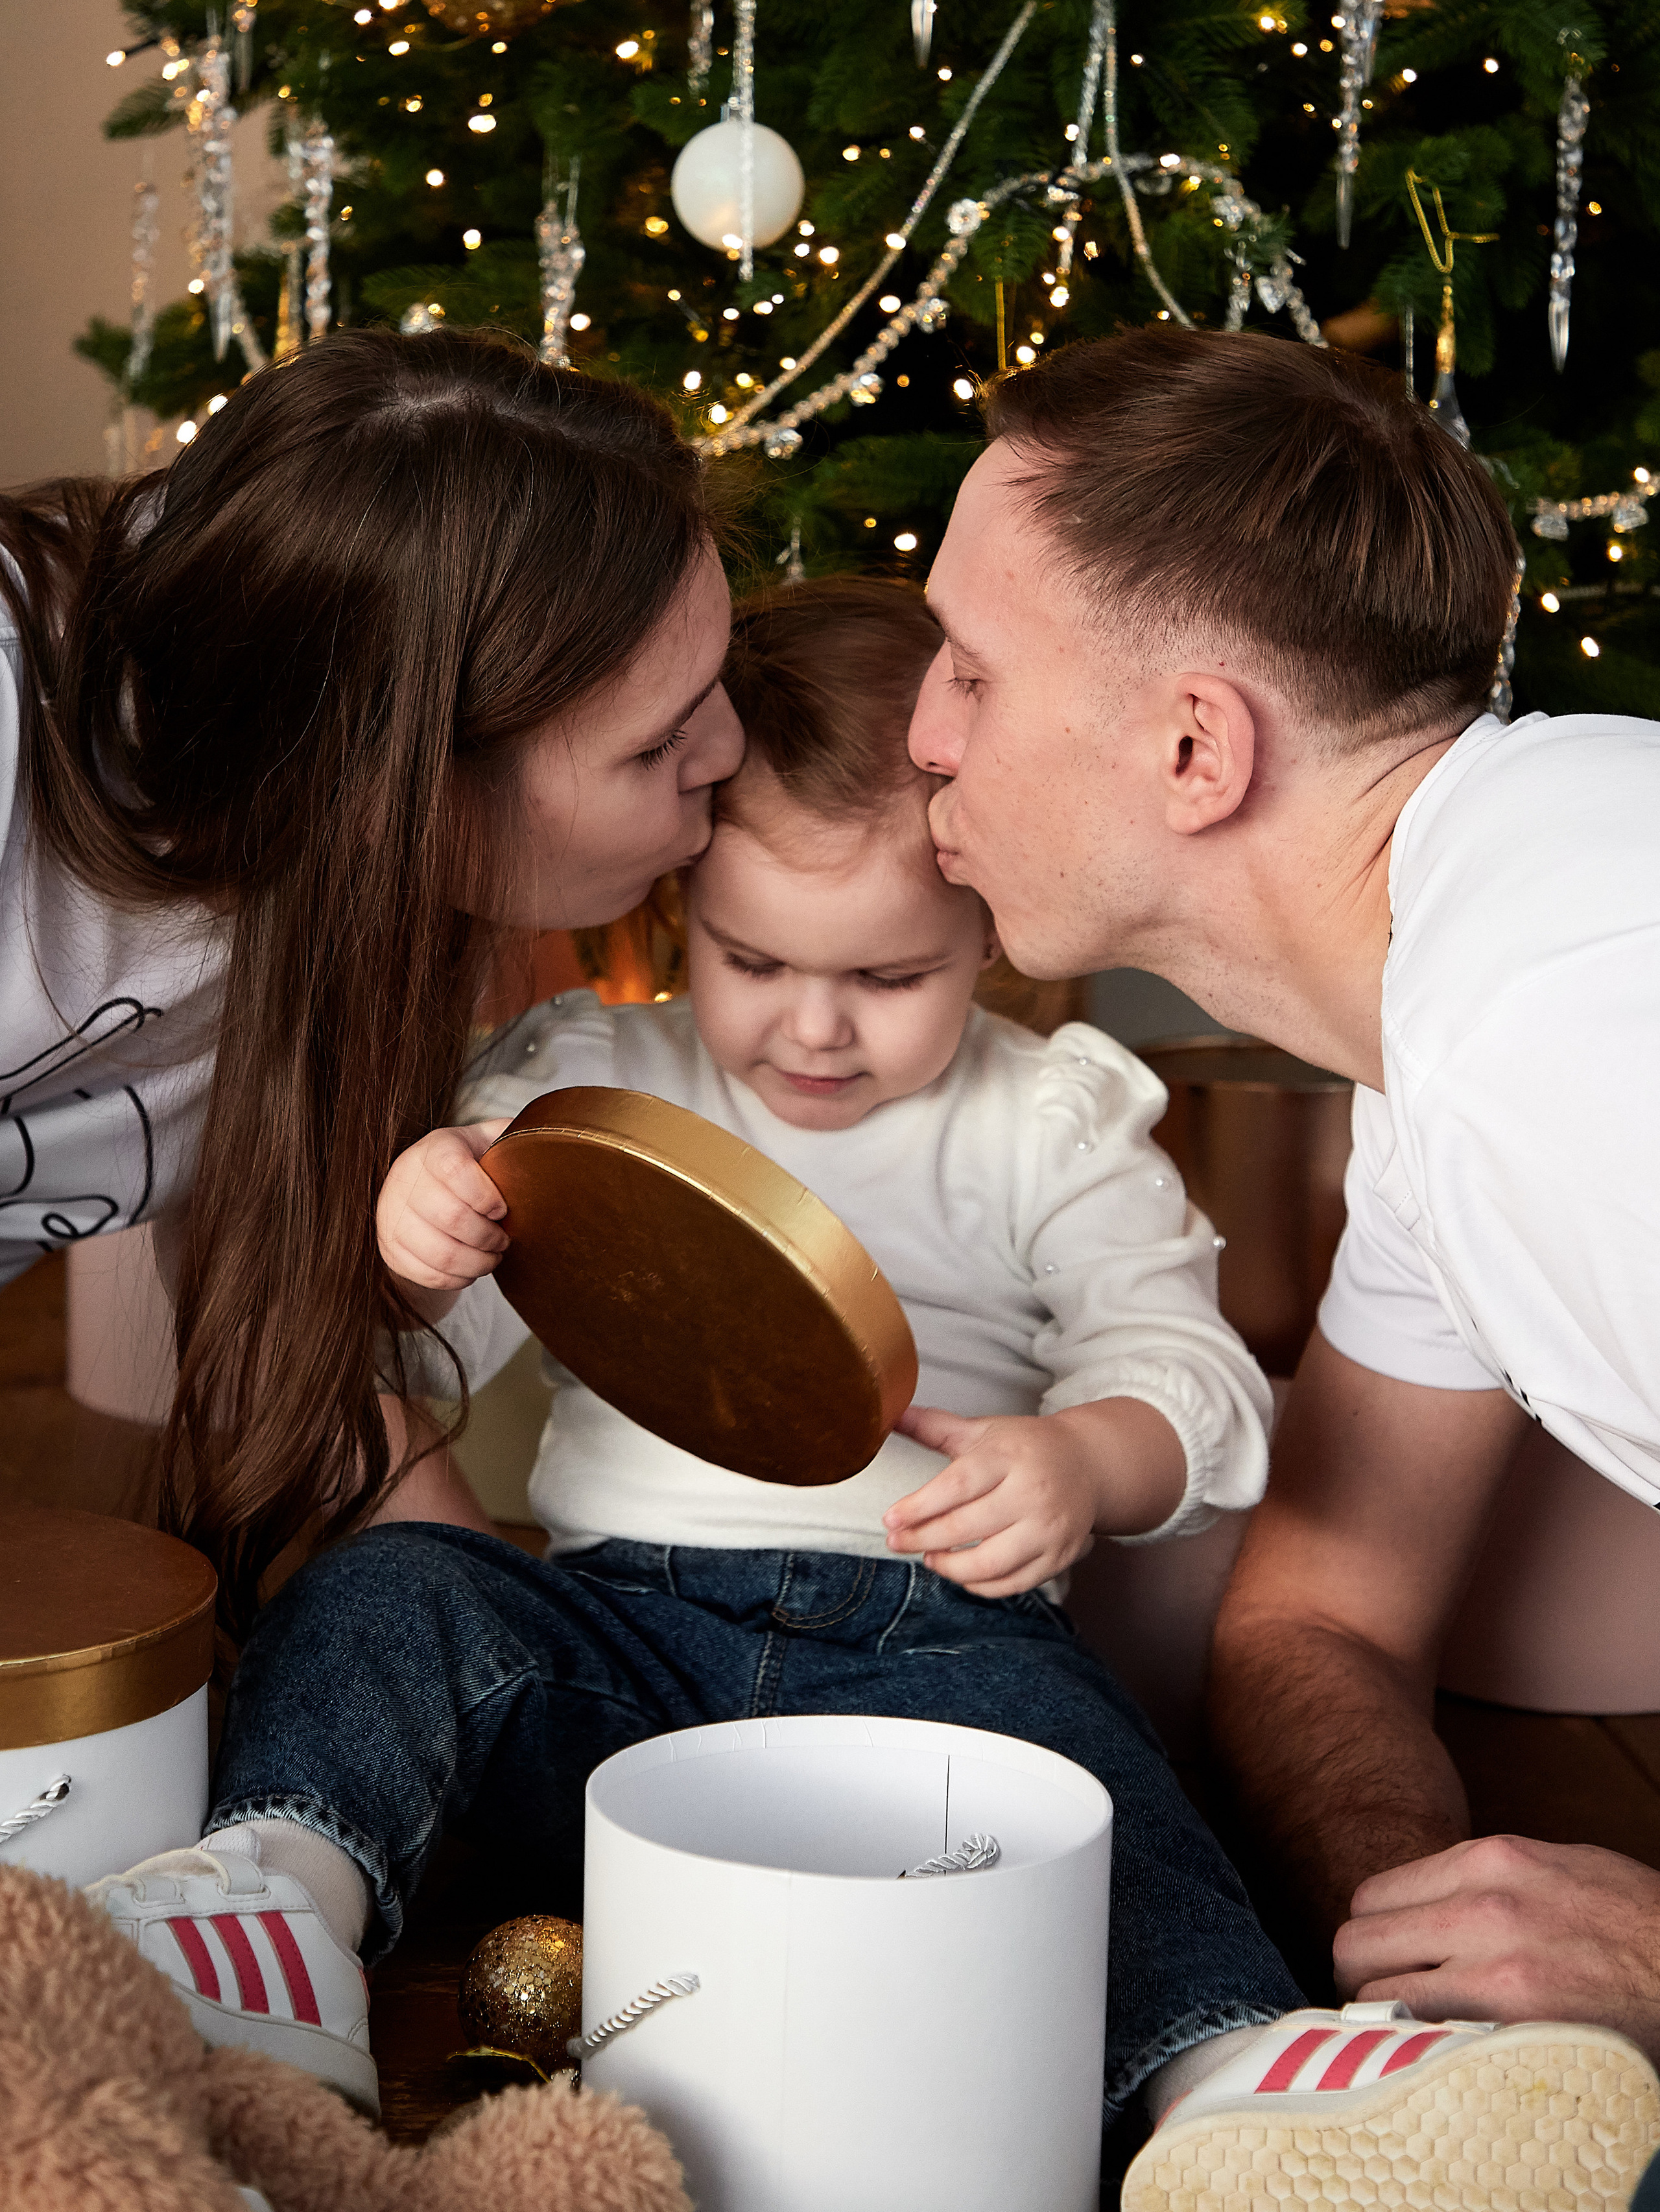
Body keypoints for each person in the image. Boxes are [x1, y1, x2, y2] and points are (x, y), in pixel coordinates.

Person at [93, 577, 1311, 2143]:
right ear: (682, 916)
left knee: (1086, 1787)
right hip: (612, 1633)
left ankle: (1232, 2078)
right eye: (752, 962)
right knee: (396, 1600)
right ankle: (271, 1906)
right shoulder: (596, 1080)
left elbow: (1196, 1385)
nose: (812, 1028)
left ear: (986, 936)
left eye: (887, 979)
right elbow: (418, 1352)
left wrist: (1088, 1460)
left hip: (932, 1660)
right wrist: (421, 1234)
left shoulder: (1048, 1118)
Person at [905, 324, 1660, 2201]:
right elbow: (1326, 1605)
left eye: (973, 672)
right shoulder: (1444, 1005)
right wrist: (1417, 1982)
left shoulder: (1568, 1037)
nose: (920, 731)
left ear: (1193, 747)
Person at [0, 327, 741, 1632]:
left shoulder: (347, 883)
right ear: (396, 780)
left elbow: (297, 1360)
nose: (726, 750)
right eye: (657, 744)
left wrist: (543, 1675)